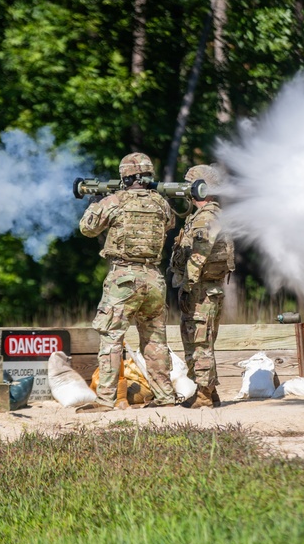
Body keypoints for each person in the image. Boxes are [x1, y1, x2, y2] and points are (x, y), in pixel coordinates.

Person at [78, 152, 177, 411]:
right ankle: (165, 396)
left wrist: (95, 202)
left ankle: (106, 398)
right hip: (154, 278)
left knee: (112, 336)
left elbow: (87, 228)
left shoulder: (115, 201)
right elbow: (169, 224)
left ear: (125, 176)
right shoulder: (161, 203)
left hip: (124, 278)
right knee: (155, 340)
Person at [169, 164, 235, 409]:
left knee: (199, 343)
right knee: (202, 340)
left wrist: (187, 285)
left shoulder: (206, 216)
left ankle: (205, 396)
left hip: (201, 290)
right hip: (208, 289)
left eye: (189, 185)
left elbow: (200, 254)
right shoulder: (209, 214)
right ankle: (210, 391)